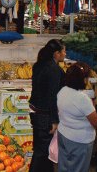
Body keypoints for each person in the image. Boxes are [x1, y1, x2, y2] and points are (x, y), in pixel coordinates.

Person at [29, 39, 66, 172]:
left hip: (36, 112)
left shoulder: (38, 65)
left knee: (42, 150)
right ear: (56, 53)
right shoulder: (53, 70)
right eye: (63, 51)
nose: (65, 54)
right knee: (42, 152)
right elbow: (52, 96)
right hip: (45, 115)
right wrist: (54, 120)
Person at [57, 63, 97, 172]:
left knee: (64, 167)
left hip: (63, 134)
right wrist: (92, 105)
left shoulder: (63, 91)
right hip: (80, 140)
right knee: (79, 168)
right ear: (84, 79)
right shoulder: (83, 98)